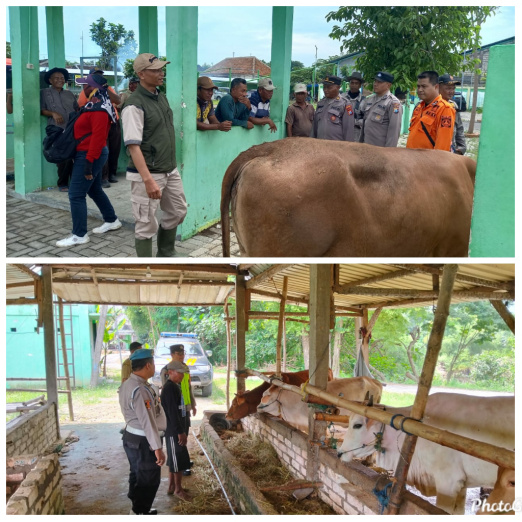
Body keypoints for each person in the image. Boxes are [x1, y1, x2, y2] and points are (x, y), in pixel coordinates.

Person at [121, 53, 188, 257]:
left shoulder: (160, 96)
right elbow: (133, 147)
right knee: (145, 222)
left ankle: (166, 252)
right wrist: (148, 180)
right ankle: (146, 266)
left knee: (178, 211)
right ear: (141, 74)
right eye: (156, 70)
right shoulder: (134, 105)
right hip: (148, 174)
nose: (161, 73)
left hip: (169, 169)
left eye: (162, 69)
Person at [55, 73, 122, 248]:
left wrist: (88, 164)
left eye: (87, 85)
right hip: (87, 154)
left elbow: (99, 139)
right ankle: (112, 220)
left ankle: (79, 235)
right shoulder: (92, 104)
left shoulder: (99, 109)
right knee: (95, 190)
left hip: (90, 155)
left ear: (95, 88)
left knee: (76, 194)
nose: (84, 88)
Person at [119, 348, 166, 515]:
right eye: (153, 364)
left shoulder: (127, 384)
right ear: (148, 365)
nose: (154, 367)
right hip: (143, 440)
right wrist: (157, 448)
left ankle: (138, 508)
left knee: (137, 474)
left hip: (132, 437)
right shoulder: (139, 389)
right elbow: (148, 422)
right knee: (149, 480)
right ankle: (140, 511)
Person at [78, 68, 122, 187]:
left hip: (113, 121)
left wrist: (105, 88)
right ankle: (103, 177)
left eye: (100, 76)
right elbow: (81, 106)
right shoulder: (86, 90)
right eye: (95, 76)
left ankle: (113, 173)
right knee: (103, 149)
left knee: (115, 149)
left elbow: (118, 100)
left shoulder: (108, 88)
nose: (98, 78)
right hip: (99, 123)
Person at [40, 67, 79, 192]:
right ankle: (62, 183)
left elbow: (76, 109)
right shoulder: (44, 92)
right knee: (62, 156)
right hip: (56, 128)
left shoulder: (69, 93)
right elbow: (41, 109)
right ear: (50, 80)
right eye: (56, 78)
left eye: (62, 78)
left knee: (75, 154)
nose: (60, 80)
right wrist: (53, 113)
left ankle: (74, 182)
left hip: (71, 128)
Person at [160, 360, 193, 500]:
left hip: (176, 429)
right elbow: (172, 413)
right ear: (170, 372)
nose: (182, 376)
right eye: (179, 373)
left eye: (183, 373)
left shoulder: (174, 386)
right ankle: (178, 490)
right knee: (177, 460)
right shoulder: (169, 388)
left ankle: (172, 486)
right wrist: (180, 431)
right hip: (173, 431)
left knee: (176, 459)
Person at [406, 70, 455, 151]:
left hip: (428, 161)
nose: (420, 90)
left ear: (436, 87)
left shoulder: (445, 109)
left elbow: (442, 146)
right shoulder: (419, 106)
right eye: (418, 86)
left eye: (424, 86)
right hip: (411, 159)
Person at [359, 71, 402, 147]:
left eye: (379, 82)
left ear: (388, 85)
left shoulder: (393, 103)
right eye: (375, 81)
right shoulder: (370, 99)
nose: (375, 84)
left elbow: (394, 131)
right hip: (366, 146)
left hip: (380, 149)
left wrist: (389, 152)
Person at [310, 75, 355, 141]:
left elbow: (348, 131)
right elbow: (315, 127)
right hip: (320, 145)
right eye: (324, 87)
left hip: (336, 147)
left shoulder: (345, 104)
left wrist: (347, 147)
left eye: (329, 87)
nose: (325, 90)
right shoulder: (320, 103)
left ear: (338, 87)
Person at [438, 73, 467, 155]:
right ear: (438, 88)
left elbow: (459, 128)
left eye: (453, 89)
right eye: (448, 88)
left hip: (450, 151)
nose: (451, 92)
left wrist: (462, 148)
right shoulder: (430, 106)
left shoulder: (453, 106)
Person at [343, 71, 366, 141]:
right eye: (352, 83)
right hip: (342, 132)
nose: (354, 85)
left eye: (356, 83)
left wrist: (353, 121)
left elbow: (366, 120)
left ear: (360, 85)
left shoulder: (365, 101)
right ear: (349, 84)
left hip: (356, 135)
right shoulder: (342, 98)